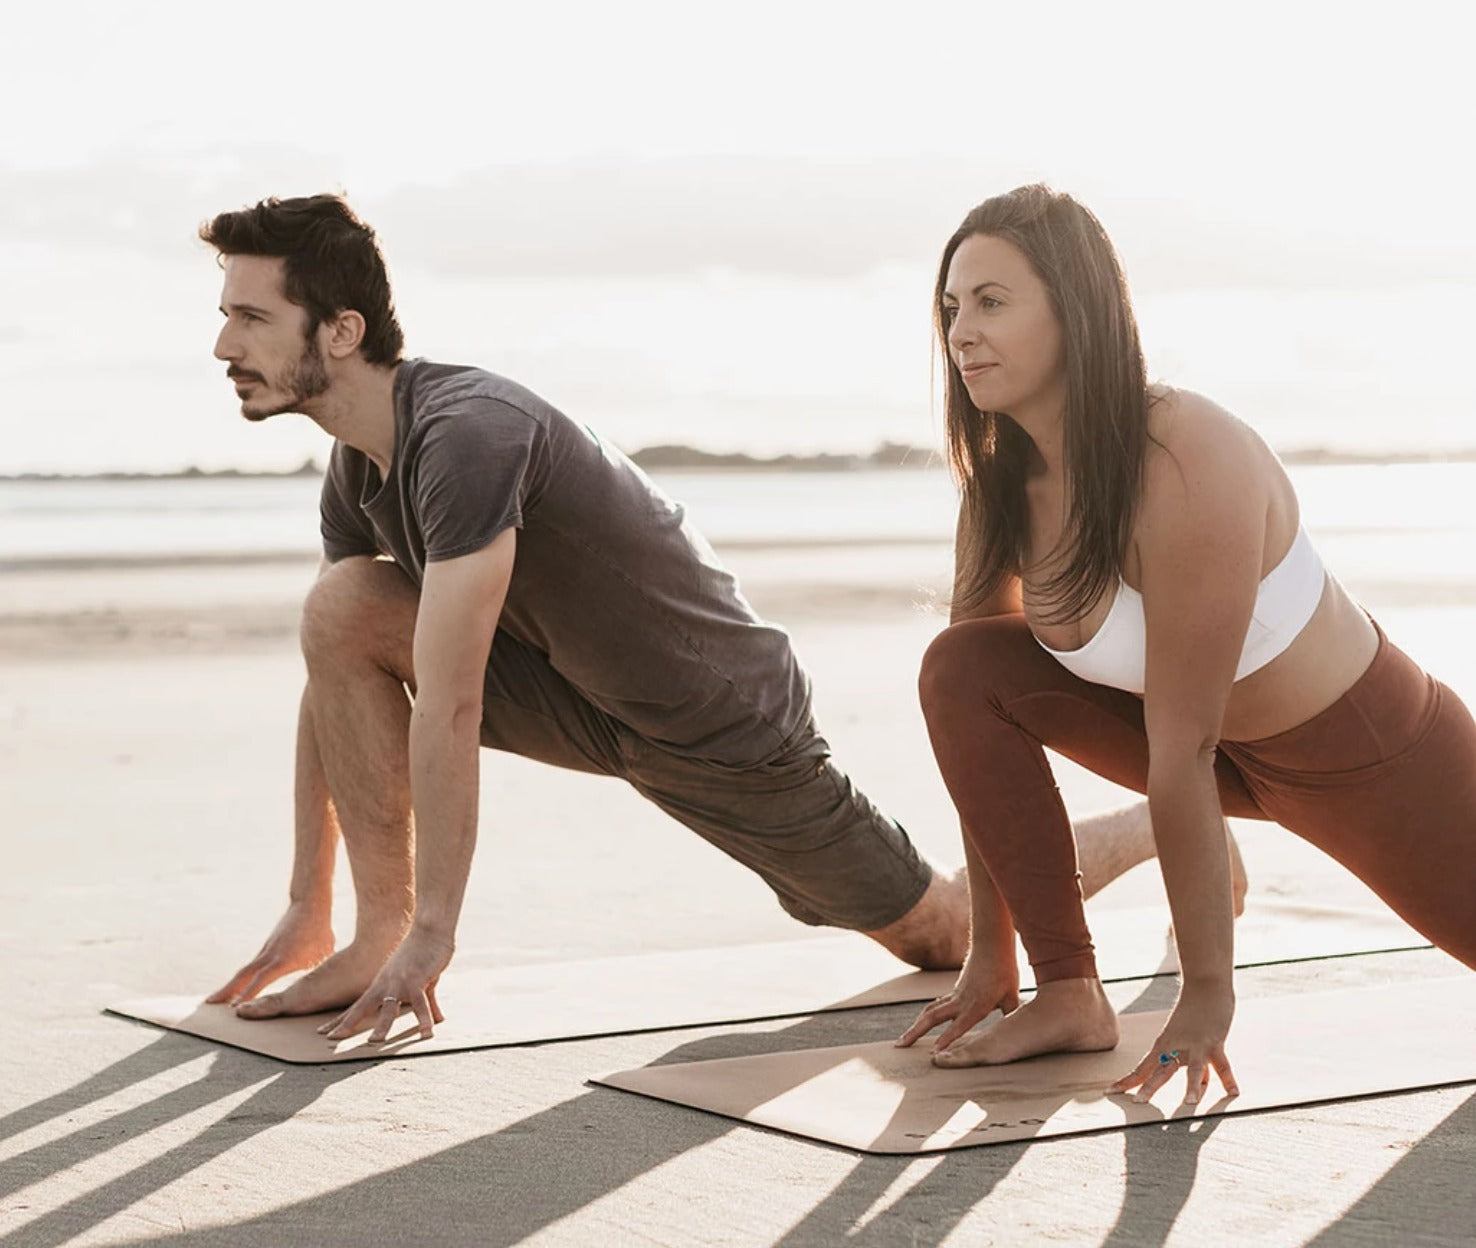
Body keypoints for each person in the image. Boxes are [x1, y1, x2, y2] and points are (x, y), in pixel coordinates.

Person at [197, 193, 1158, 1046]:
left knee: (938, 934)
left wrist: (436, 937)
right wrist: (303, 900)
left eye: (251, 316)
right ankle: (361, 937)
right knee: (343, 606)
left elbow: (447, 704)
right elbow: (339, 672)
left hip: (720, 725)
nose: (224, 345)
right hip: (579, 694)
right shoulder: (359, 468)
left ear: (338, 330)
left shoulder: (465, 435)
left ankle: (1160, 827)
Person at [896, 183, 1476, 1106]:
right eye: (952, 307)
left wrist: (1204, 1000)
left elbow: (1184, 748)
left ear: (1075, 310)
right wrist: (987, 957)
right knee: (960, 668)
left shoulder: (1182, 454)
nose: (961, 331)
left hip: (1371, 755)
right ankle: (1068, 993)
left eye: (994, 302)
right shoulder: (1003, 486)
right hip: (1212, 761)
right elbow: (977, 727)